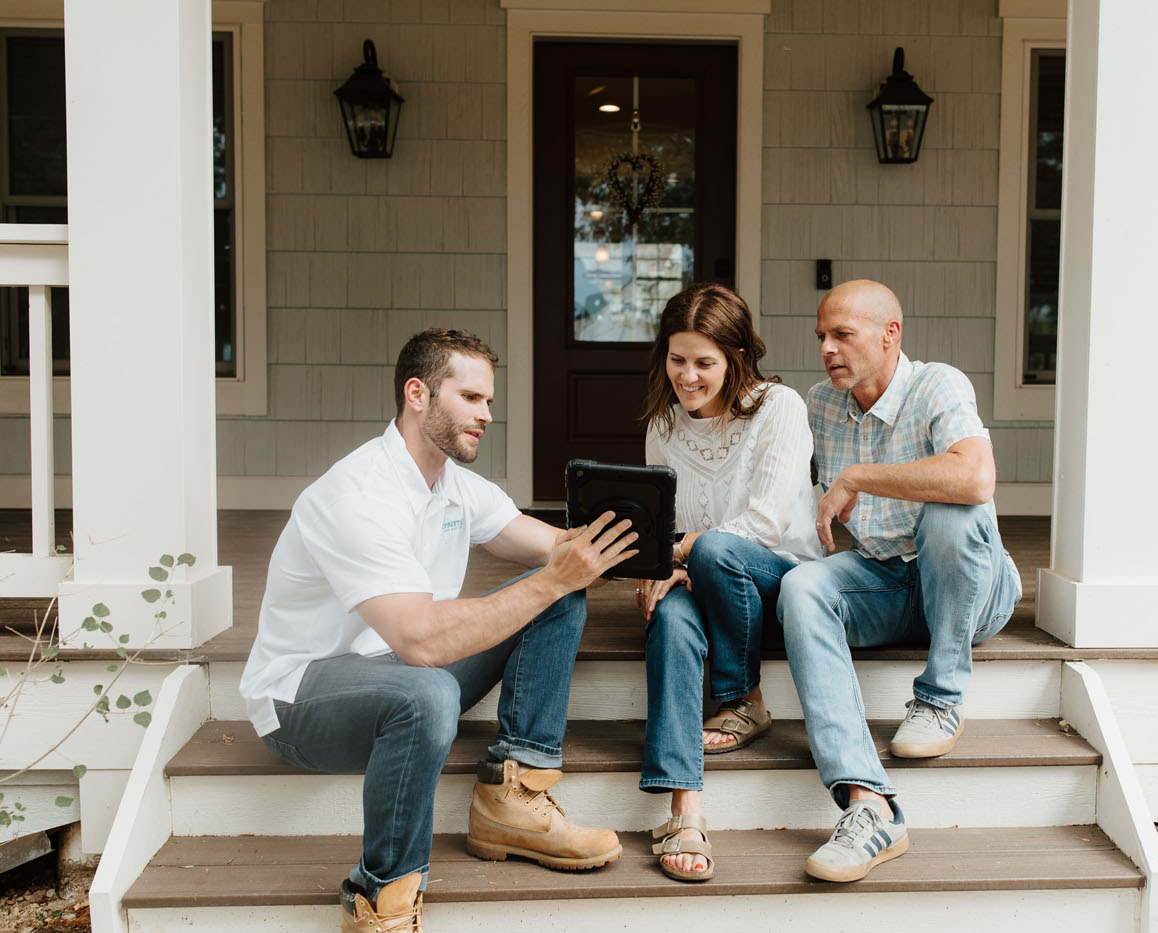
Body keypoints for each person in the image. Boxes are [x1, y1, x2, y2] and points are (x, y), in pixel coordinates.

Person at [239, 329, 638, 932]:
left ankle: (514, 793)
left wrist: (667, 557)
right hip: (301, 698)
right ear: (418, 393)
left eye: (489, 402)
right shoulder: (358, 495)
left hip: (402, 671)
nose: (486, 415)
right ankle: (384, 900)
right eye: (472, 398)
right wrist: (557, 575)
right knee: (429, 690)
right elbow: (420, 642)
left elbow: (556, 547)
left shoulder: (453, 484)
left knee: (557, 595)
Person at [777, 280, 1022, 884]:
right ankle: (869, 805)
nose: (827, 349)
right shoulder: (820, 404)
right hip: (888, 580)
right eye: (821, 338)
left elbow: (974, 479)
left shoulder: (937, 383)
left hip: (972, 589)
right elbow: (785, 497)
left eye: (842, 335)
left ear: (891, 334)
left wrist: (859, 476)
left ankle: (940, 697)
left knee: (949, 510)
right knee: (802, 587)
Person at [634, 283, 823, 882]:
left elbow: (764, 525)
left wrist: (680, 552)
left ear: (736, 357)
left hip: (777, 579)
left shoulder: (780, 407)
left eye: (704, 363)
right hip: (704, 571)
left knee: (717, 547)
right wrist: (662, 568)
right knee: (669, 616)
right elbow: (665, 522)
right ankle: (683, 806)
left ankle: (742, 697)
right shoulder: (663, 424)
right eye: (677, 358)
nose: (687, 376)